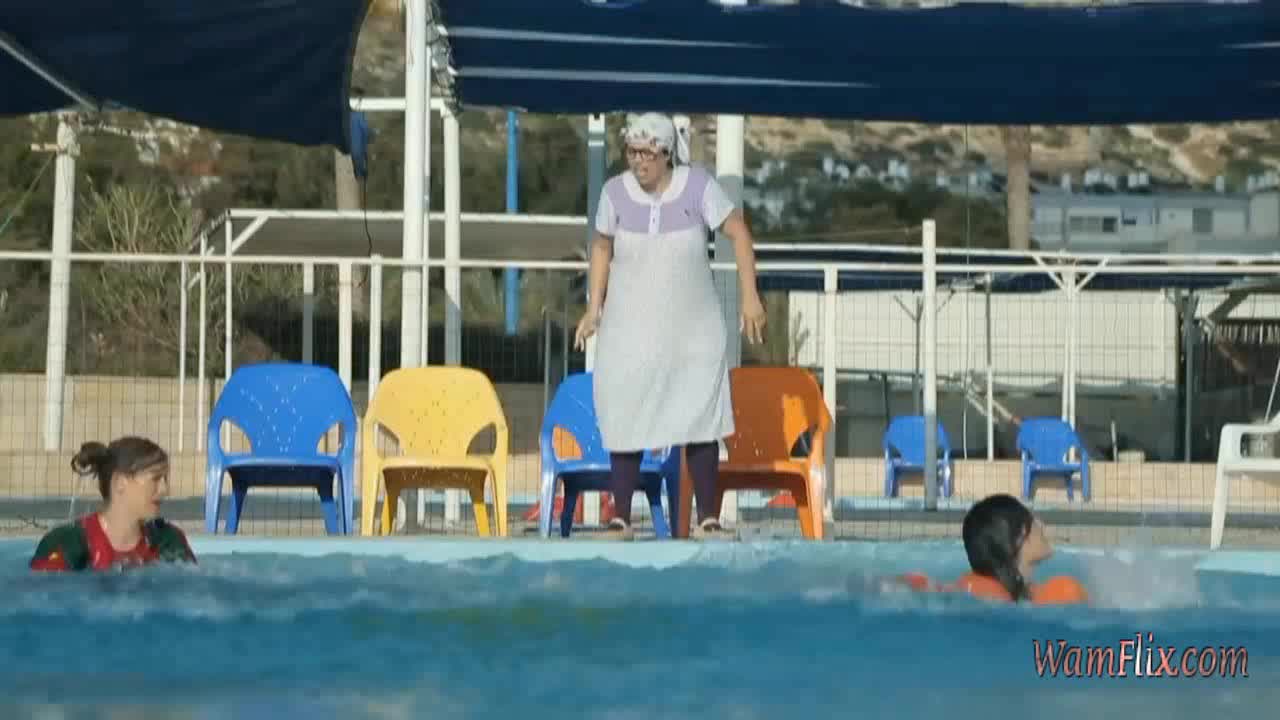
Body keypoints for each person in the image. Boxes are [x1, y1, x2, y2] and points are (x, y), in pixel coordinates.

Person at [574, 112, 767, 541]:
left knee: (699, 418)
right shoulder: (614, 193)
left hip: (693, 334)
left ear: (666, 154)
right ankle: (621, 517)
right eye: (632, 152)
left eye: (647, 153)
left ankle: (708, 518)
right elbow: (602, 247)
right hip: (631, 333)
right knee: (625, 414)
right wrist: (594, 307)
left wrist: (750, 296)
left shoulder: (697, 186)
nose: (638, 161)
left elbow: (738, 232)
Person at [30, 437, 196, 572]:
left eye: (165, 479)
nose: (165, 490)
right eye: (156, 479)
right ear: (120, 482)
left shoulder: (168, 541)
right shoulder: (67, 543)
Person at [898, 494, 1088, 605]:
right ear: (1021, 535)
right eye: (1034, 521)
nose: (1042, 525)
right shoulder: (1062, 592)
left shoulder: (961, 589)